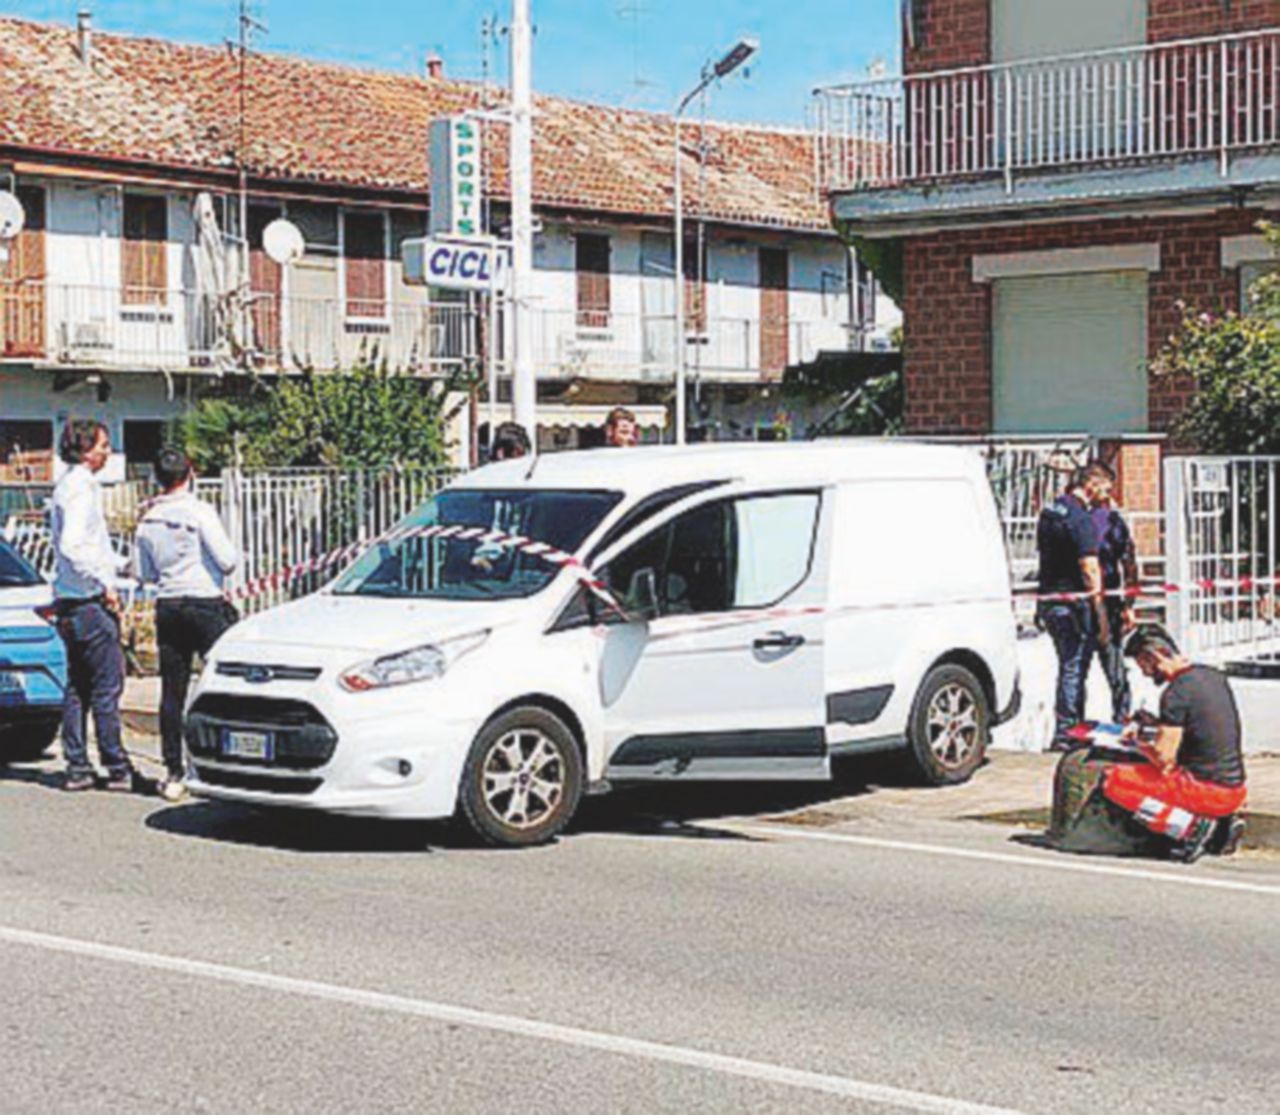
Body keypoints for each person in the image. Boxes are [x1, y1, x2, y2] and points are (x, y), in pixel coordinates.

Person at [133, 448, 240, 801]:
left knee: (172, 689)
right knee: (228, 679)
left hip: (168, 604)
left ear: (157, 478)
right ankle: (227, 759)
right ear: (190, 472)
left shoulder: (148, 519)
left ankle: (174, 770)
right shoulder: (200, 511)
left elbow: (143, 573)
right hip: (204, 602)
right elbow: (227, 561)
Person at [1103, 627, 1247, 862]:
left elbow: (1164, 758)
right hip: (1235, 788)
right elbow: (1199, 725)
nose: (1146, 674)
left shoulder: (1175, 693)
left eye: (1143, 665)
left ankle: (1190, 828)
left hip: (1204, 789)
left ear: (1154, 656)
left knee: (1114, 780)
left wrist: (1136, 743)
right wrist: (1155, 723)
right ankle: (1222, 825)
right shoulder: (1212, 676)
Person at [51, 419, 133, 792]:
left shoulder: (69, 486)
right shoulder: (80, 489)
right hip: (87, 602)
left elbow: (91, 546)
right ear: (86, 450)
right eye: (102, 445)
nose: (107, 452)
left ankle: (78, 764)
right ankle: (115, 763)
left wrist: (118, 566)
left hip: (69, 599)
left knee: (78, 686)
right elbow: (74, 546)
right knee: (105, 685)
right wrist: (104, 583)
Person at [1036, 461, 1113, 751]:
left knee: (1067, 665)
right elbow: (1089, 568)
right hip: (1073, 605)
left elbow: (1045, 557)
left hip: (1050, 600)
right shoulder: (1081, 519)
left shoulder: (1050, 511)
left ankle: (1068, 727)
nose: (1106, 495)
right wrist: (1100, 612)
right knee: (1074, 667)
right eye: (1105, 487)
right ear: (1092, 482)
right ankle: (1068, 732)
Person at [1089, 487, 1139, 721]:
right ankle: (1121, 719)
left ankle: (1070, 728)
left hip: (1077, 604)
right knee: (1115, 670)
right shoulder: (1112, 522)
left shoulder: (1071, 520)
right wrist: (1129, 605)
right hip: (1108, 602)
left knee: (1073, 673)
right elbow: (1130, 564)